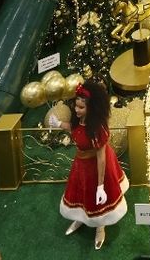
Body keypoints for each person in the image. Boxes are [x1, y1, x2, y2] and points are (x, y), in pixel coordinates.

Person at [43, 79, 129, 249]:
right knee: (81, 192)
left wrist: (100, 185)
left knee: (97, 198)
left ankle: (100, 226)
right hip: (81, 164)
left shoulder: (97, 129)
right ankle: (81, 217)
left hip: (97, 167)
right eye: (76, 106)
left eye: (81, 107)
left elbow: (101, 158)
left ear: (92, 108)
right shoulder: (78, 120)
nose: (76, 110)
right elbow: (74, 129)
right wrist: (59, 124)